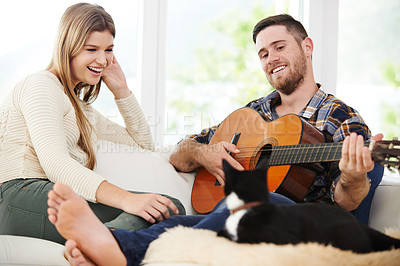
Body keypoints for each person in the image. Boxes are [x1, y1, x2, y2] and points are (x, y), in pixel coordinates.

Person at [47, 14, 382, 265]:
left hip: (309, 228)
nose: (271, 58)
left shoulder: (341, 118)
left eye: (279, 47)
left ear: (307, 47)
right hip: (245, 217)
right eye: (263, 53)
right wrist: (206, 154)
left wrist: (354, 176)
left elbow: (349, 203)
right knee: (178, 220)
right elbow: (180, 155)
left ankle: (116, 247)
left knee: (251, 202)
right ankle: (110, 246)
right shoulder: (254, 113)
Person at [0, 2, 184, 245]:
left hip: (50, 196)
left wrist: (122, 91)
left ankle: (96, 248)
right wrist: (127, 199)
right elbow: (55, 164)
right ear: (69, 47)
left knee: (168, 208)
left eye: (108, 50)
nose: (102, 59)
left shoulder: (82, 109)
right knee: (162, 208)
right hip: (18, 197)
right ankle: (97, 246)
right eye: (91, 49)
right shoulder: (41, 85)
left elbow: (142, 144)